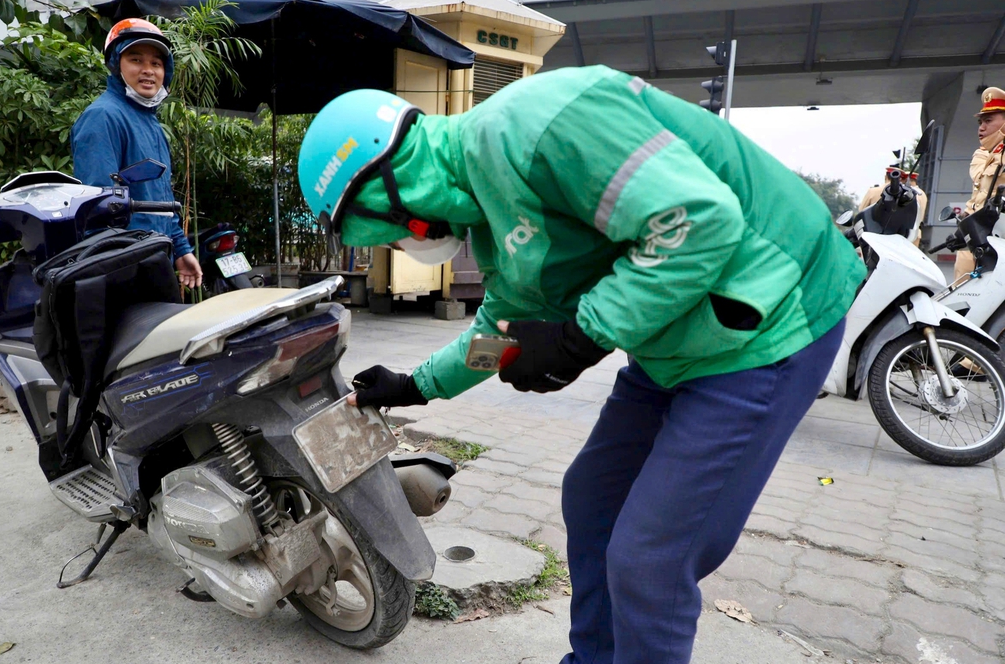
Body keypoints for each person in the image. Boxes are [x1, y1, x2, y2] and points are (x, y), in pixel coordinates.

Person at [297, 65, 865, 663]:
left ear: (389, 191)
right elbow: (498, 331)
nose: (398, 247)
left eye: (385, 236)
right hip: (680, 344)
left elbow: (698, 221)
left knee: (651, 560)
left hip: (770, 319)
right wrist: (414, 385)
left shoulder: (538, 123)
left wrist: (580, 336)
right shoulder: (490, 216)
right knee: (593, 500)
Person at [71, 18, 202, 288]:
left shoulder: (150, 122)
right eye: (136, 60)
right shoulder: (103, 116)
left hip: (155, 258)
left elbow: (161, 199)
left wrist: (181, 249)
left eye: (156, 63)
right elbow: (99, 207)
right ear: (115, 64)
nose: (148, 71)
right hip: (124, 268)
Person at [955, 86, 1005, 280]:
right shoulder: (984, 154)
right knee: (959, 293)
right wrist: (962, 230)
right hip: (974, 240)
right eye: (980, 122)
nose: (981, 127)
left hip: (997, 245)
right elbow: (978, 197)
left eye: (988, 121)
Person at [858, 167, 926, 246]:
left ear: (886, 176)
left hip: (873, 233)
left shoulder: (873, 191)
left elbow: (861, 211)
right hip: (909, 234)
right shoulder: (921, 194)